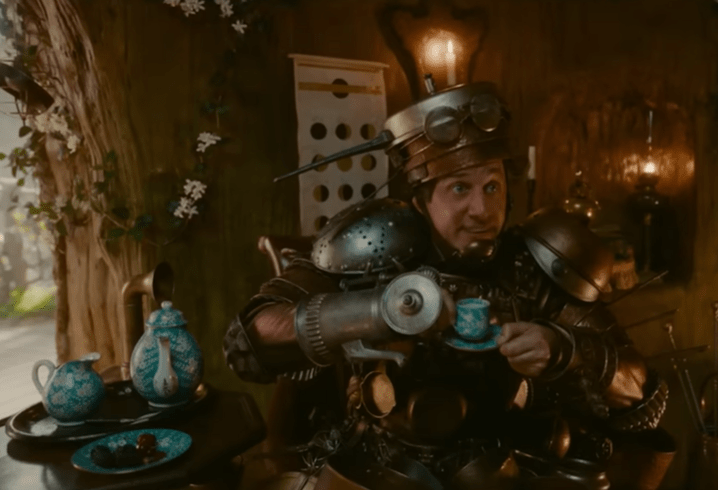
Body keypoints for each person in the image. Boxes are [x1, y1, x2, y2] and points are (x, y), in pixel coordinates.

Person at [223, 81, 669, 490]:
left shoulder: (532, 269)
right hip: (375, 475)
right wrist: (385, 310)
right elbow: (248, 341)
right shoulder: (368, 251)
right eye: (459, 189)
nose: (482, 210)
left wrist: (563, 351)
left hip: (504, 473)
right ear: (421, 199)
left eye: (491, 187)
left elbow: (644, 397)